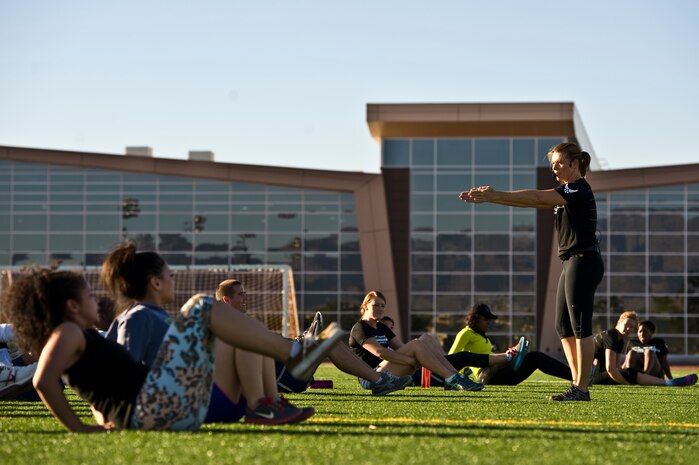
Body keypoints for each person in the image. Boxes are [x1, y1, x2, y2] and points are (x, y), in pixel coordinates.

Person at [1, 267, 344, 432]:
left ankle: (266, 404)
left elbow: (96, 389)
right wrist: (81, 428)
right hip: (157, 403)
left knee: (237, 332)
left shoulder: (80, 337)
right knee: (200, 305)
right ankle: (292, 354)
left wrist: (102, 415)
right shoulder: (66, 332)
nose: (97, 299)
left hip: (163, 403)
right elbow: (43, 381)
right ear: (72, 306)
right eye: (89, 295)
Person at [103, 243, 318, 425]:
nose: (173, 280)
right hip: (181, 404)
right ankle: (263, 399)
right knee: (227, 324)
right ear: (156, 283)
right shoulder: (138, 316)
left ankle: (270, 402)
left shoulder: (158, 316)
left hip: (206, 398)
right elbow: (120, 374)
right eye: (171, 275)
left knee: (248, 330)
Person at [460, 142, 604, 401]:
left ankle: (581, 389)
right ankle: (577, 383)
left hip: (584, 261)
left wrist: (496, 193)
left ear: (574, 163)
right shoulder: (566, 192)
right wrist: (494, 197)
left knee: (581, 326)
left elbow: (538, 197)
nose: (555, 168)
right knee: (563, 326)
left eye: (559, 163)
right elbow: (531, 203)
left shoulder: (578, 188)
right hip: (571, 262)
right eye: (552, 165)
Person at [215, 280, 412, 397]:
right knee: (327, 341)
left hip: (286, 370)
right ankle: (378, 380)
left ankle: (378, 380)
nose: (245, 298)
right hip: (282, 378)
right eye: (241, 295)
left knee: (331, 337)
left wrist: (295, 342)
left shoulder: (238, 323)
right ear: (226, 300)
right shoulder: (228, 326)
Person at [349, 290, 484, 392]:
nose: (380, 309)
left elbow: (402, 347)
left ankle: (455, 377)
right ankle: (451, 378)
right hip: (372, 378)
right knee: (416, 344)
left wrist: (420, 356)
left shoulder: (382, 327)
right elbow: (381, 353)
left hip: (389, 369)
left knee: (426, 338)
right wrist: (413, 361)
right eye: (376, 305)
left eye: (383, 306)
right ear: (365, 306)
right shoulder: (360, 328)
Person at [449, 303, 572, 385]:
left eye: (490, 320)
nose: (489, 323)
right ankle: (576, 376)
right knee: (535, 357)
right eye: (485, 319)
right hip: (486, 375)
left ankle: (577, 377)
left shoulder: (481, 336)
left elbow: (487, 356)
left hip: (494, 372)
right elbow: (452, 358)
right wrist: (458, 377)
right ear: (475, 318)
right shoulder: (465, 333)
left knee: (535, 358)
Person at [591, 311, 697, 387]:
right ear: (619, 322)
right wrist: (627, 382)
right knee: (631, 372)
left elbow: (617, 366)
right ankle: (672, 383)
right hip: (592, 377)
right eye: (626, 324)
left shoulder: (621, 340)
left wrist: (626, 374)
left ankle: (670, 381)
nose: (628, 328)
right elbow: (610, 369)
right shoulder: (611, 335)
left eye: (632, 327)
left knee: (630, 372)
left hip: (599, 374)